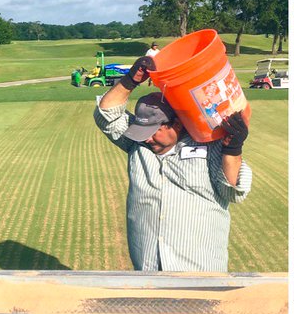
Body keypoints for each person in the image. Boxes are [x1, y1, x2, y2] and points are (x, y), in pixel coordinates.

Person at [93, 55, 251, 272]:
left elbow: (234, 192)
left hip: (202, 273)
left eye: (153, 132)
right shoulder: (137, 144)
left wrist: (233, 149)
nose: (146, 139)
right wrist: (131, 80)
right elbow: (106, 115)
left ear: (176, 124)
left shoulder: (211, 145)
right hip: (149, 269)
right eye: (142, 132)